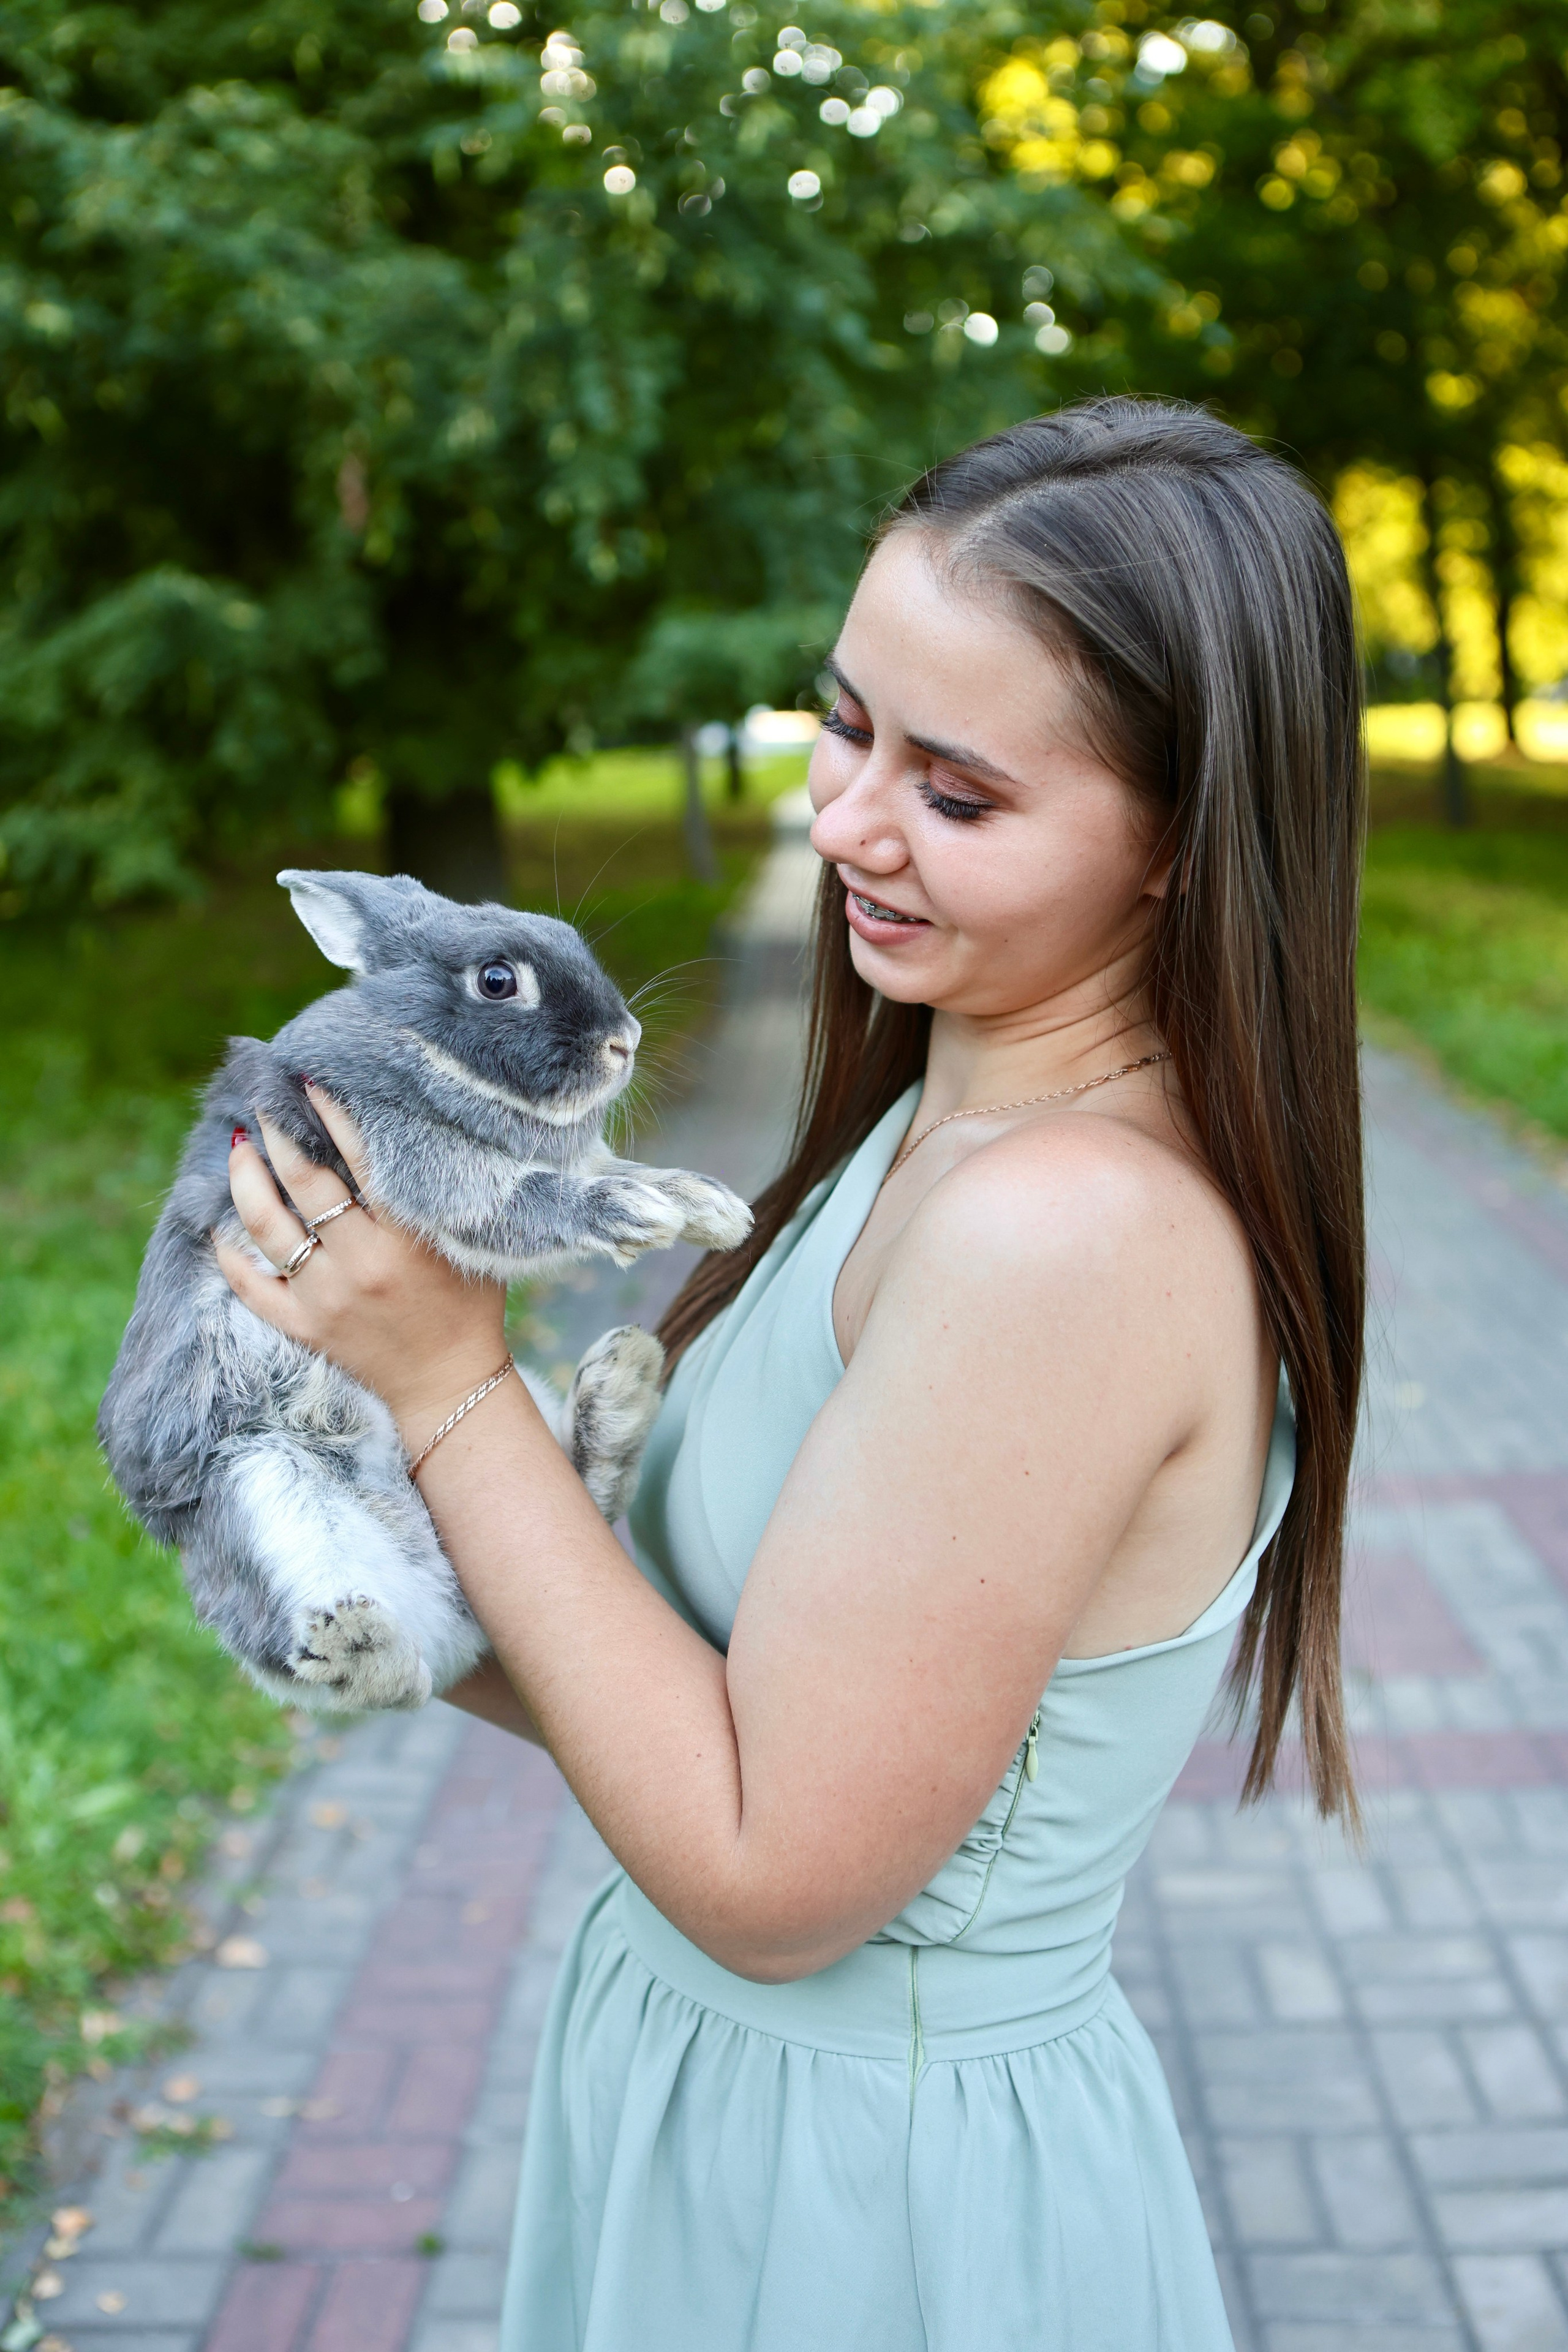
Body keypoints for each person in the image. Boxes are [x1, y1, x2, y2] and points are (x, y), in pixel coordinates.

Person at [219, 397, 1366, 2350]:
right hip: (740, 2124)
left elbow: (773, 1875)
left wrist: (448, 1386)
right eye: (846, 727)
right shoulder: (941, 1123)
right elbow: (710, 1688)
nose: (843, 824)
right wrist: (320, 1540)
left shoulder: (1066, 1236)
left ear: (1184, 840)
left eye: (960, 791)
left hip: (873, 2216)